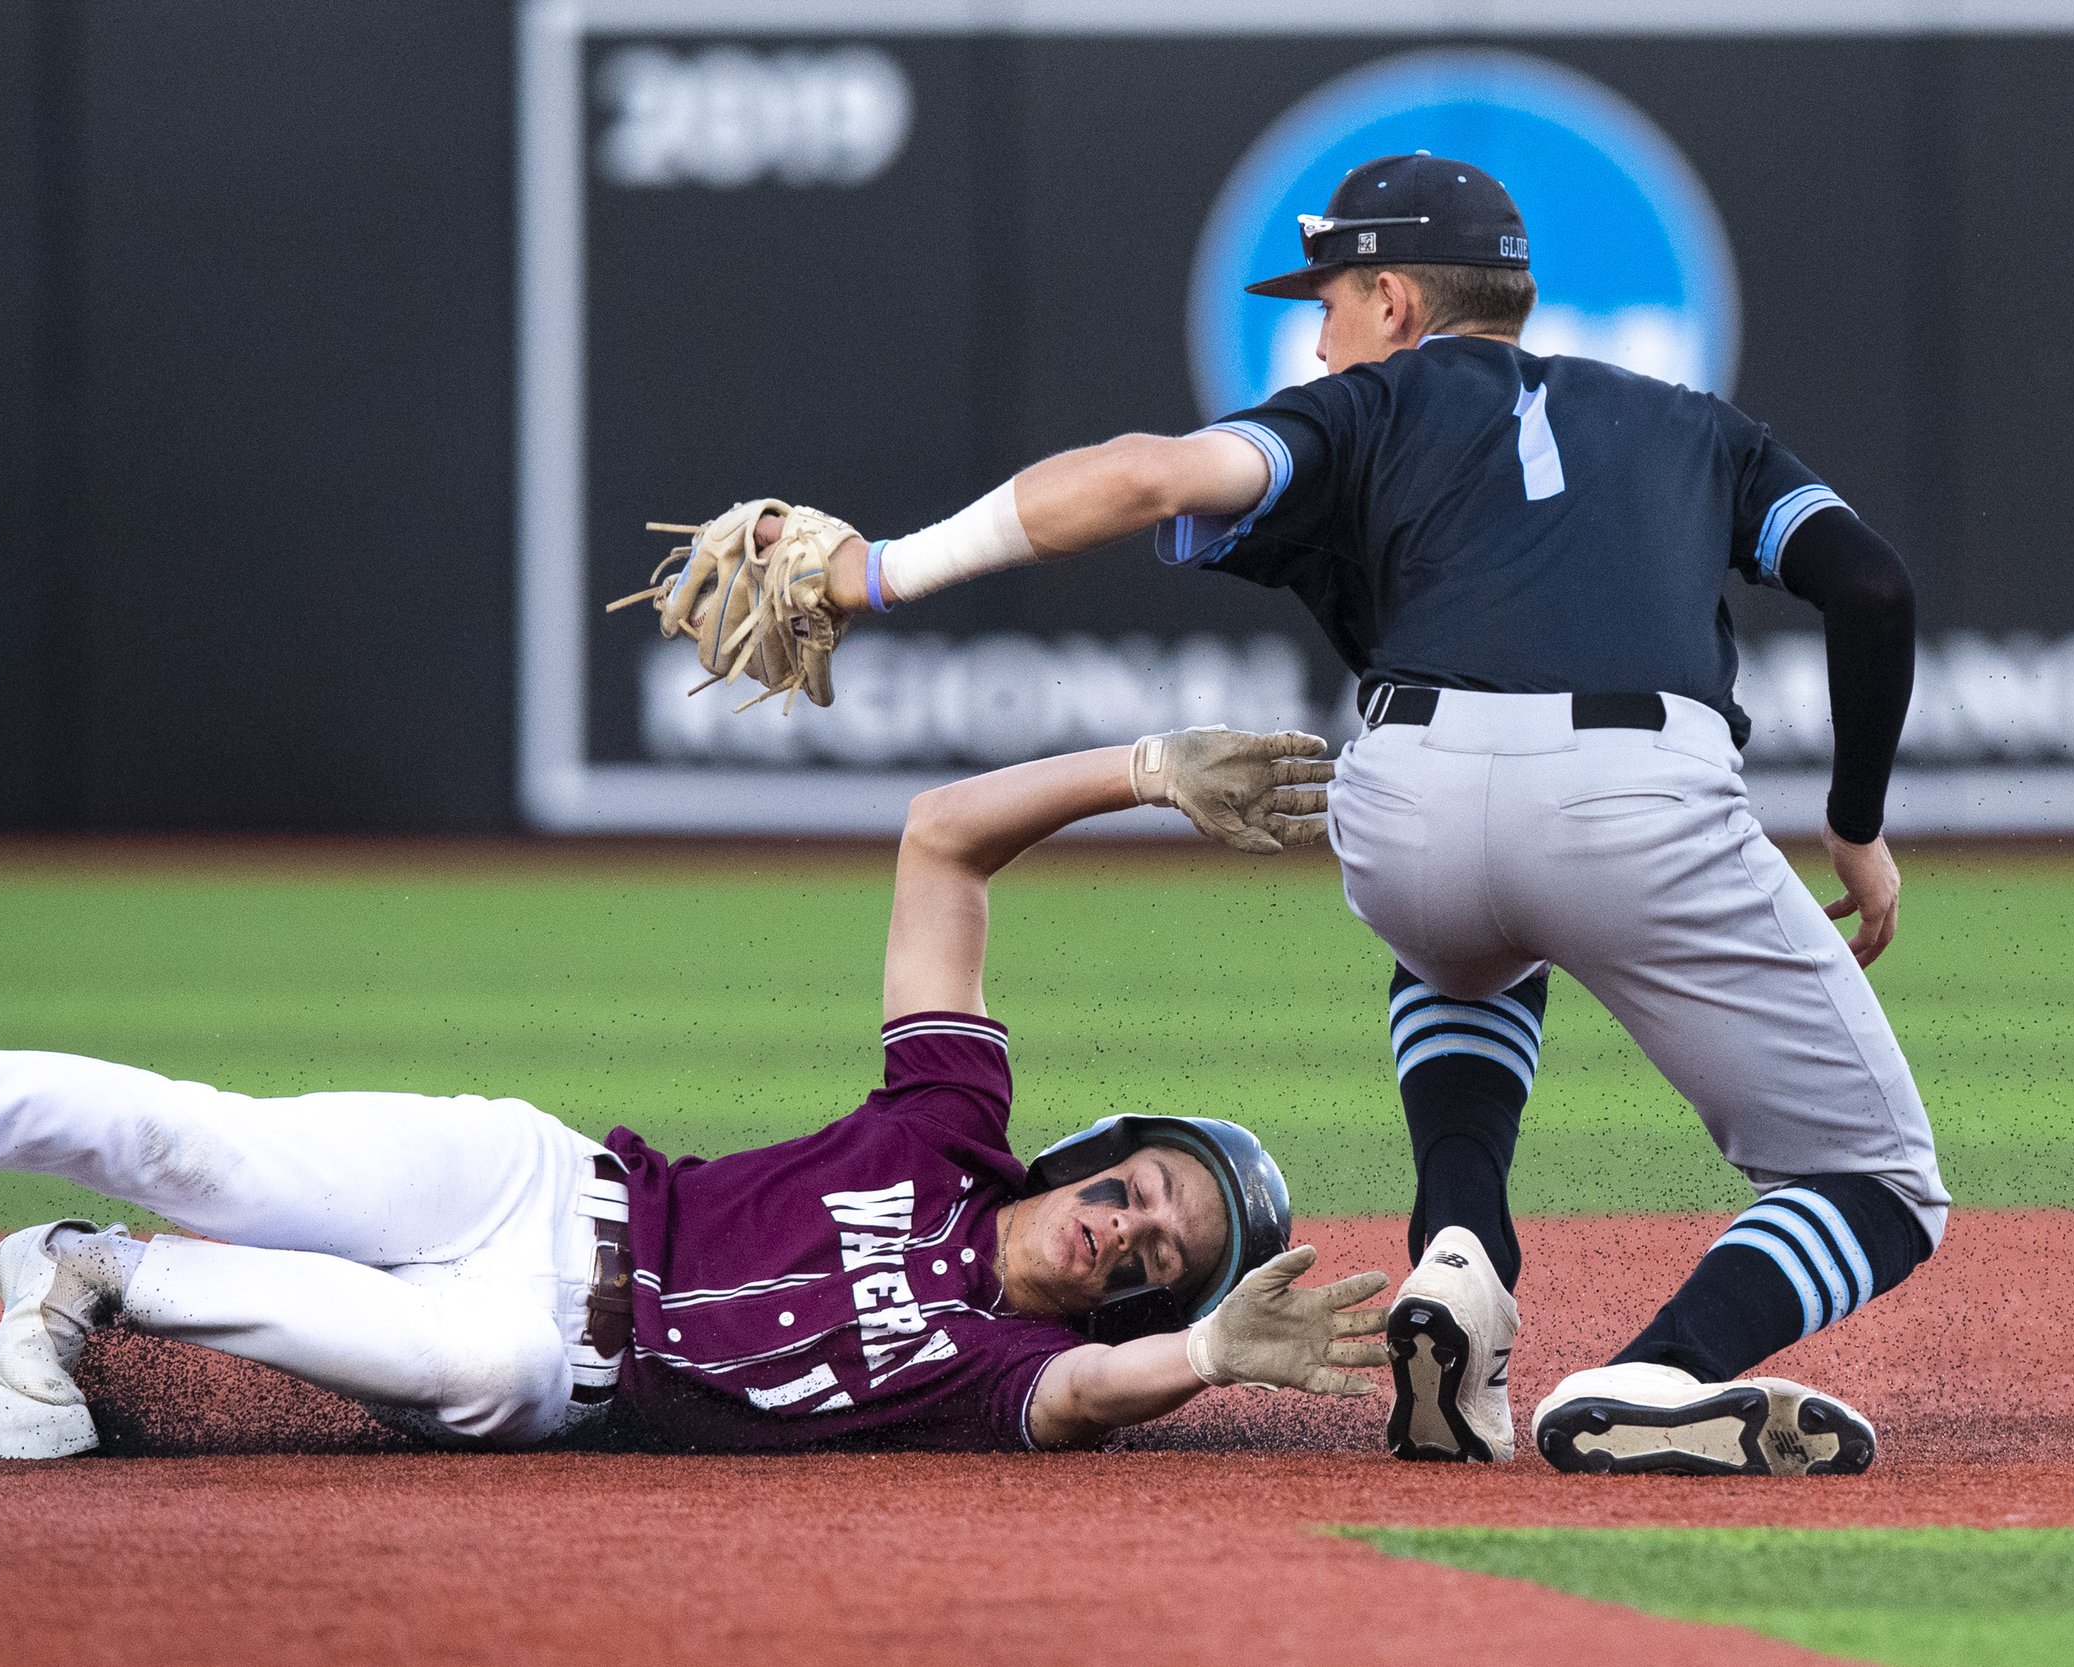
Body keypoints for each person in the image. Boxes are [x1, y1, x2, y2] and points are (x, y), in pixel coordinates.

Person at [694, 153, 1943, 1477]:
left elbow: (1139, 476)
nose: (1319, 330)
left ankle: (1461, 1250)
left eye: (1330, 300)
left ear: (1394, 300)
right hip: (1637, 784)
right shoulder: (1701, 428)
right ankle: (1658, 1373)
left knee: (1462, 948)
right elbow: (1873, 593)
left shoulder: (1358, 413)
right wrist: (1854, 820)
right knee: (1879, 1183)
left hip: (1402, 797)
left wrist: (874, 573)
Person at [0, 734, 1389, 1463]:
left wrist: (1204, 1358)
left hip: (554, 1371)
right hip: (528, 1189)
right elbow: (944, 831)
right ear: (1099, 1154)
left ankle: (73, 1281)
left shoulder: (1009, 1374)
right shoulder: (951, 1129)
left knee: (433, 1356)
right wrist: (1144, 772)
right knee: (200, 1138)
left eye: (1160, 1256)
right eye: (1145, 1189)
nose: (1128, 1235)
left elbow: (1090, 1403)